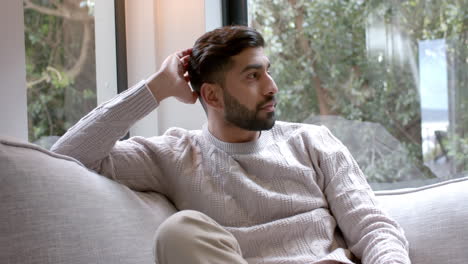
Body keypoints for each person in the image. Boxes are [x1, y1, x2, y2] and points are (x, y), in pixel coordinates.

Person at [51, 26, 410, 264]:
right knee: (180, 232)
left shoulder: (311, 141)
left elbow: (374, 229)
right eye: (253, 76)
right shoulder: (177, 155)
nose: (272, 87)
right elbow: (64, 158)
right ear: (211, 95)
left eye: (267, 70)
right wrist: (156, 88)